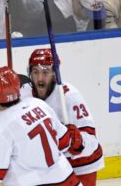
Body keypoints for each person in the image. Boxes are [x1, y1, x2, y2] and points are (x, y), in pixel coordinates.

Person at [21, 48, 104, 186]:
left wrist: (78, 141)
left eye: (45, 72)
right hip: (52, 166)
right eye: (35, 72)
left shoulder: (69, 97)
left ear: (55, 73)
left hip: (80, 165)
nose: (40, 78)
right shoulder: (24, 94)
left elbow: (92, 142)